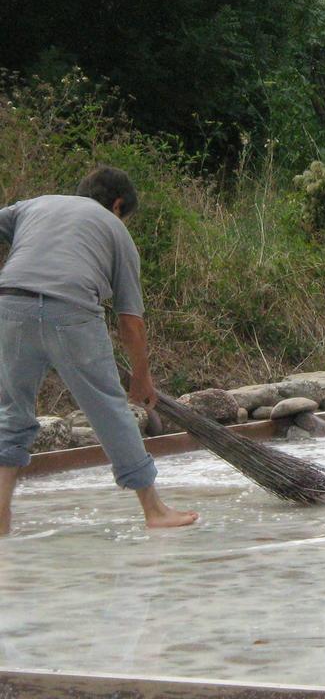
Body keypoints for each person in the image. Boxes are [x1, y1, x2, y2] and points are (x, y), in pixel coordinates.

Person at [0, 166, 198, 535]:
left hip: (11, 305)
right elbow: (130, 322)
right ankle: (154, 510)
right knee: (109, 410)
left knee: (11, 415)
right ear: (118, 204)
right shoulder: (115, 230)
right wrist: (141, 380)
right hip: (71, 311)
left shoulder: (34, 205)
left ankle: (0, 518)